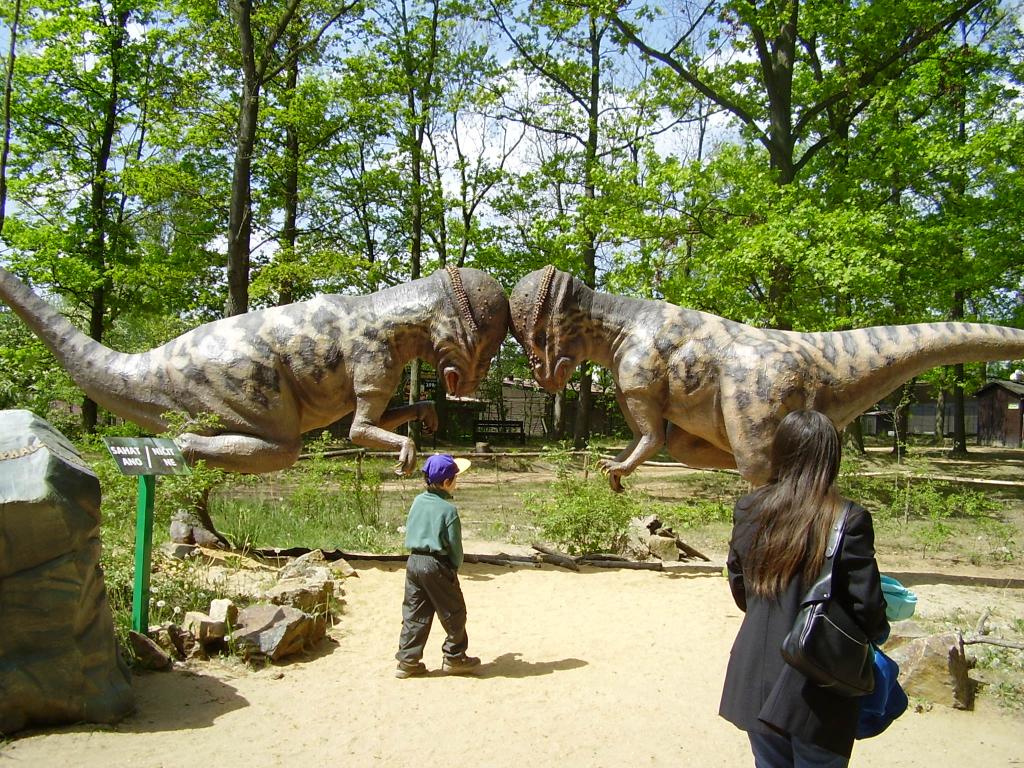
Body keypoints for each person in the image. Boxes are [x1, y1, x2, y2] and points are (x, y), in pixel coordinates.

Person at [719, 410, 890, 767]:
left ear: (780, 452)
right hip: (819, 684)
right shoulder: (847, 519)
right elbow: (868, 608)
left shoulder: (749, 508)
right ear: (831, 458)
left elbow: (740, 587)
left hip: (756, 674)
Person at [395, 453, 481, 678]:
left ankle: (407, 661)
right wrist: (453, 568)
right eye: (455, 478)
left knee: (415, 613)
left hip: (414, 562)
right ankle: (454, 657)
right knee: (454, 612)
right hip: (437, 564)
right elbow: (455, 547)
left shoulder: (417, 501)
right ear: (446, 482)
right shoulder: (448, 510)